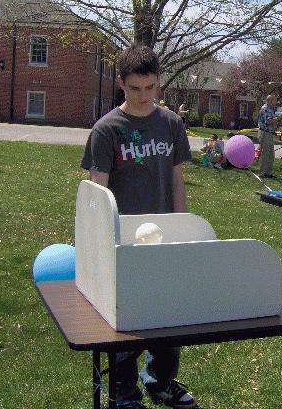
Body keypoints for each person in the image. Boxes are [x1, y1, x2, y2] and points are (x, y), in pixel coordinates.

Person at [81, 44, 198, 409]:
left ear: (158, 82)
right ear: (121, 83)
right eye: (135, 88)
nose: (144, 96)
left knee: (169, 315)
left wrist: (183, 229)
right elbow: (96, 193)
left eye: (150, 88)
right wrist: (100, 243)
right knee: (123, 322)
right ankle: (124, 392)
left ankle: (160, 381)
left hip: (165, 237)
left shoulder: (171, 124)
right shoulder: (106, 130)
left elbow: (177, 181)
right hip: (122, 242)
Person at [257, 94, 280, 178]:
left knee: (271, 154)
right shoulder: (265, 108)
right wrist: (278, 119)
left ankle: (269, 172)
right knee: (265, 153)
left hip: (269, 133)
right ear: (270, 100)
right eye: (275, 100)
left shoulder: (271, 109)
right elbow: (268, 121)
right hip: (264, 132)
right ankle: (263, 172)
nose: (276, 102)